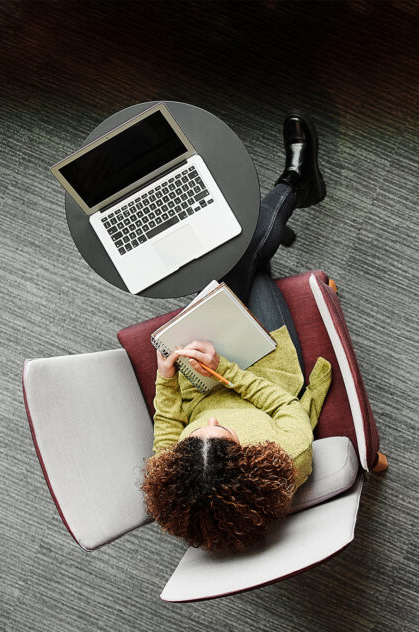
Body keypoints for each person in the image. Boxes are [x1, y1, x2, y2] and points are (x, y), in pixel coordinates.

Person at [142, 114, 330, 552]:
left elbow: (169, 425)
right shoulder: (288, 459)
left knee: (244, 259)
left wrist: (167, 377)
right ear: (249, 460)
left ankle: (292, 194)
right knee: (244, 253)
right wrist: (227, 367)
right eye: (222, 433)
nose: (208, 422)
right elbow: (283, 404)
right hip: (267, 373)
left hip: (198, 376)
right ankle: (294, 185)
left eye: (198, 434)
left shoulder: (180, 474)